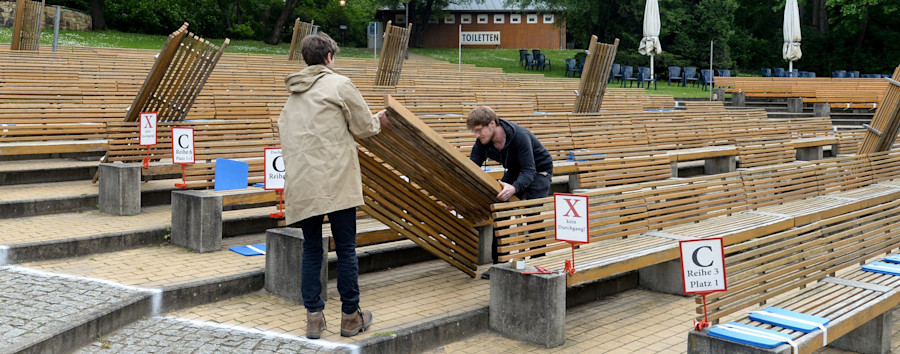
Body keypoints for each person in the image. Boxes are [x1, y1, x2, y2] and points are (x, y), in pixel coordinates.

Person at [277, 32, 390, 339]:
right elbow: (366, 127)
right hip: (336, 180)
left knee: (312, 250)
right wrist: (379, 120)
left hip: (302, 185)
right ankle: (350, 317)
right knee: (347, 250)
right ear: (329, 57)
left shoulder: (291, 97)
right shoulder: (339, 84)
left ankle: (314, 318)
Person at [467, 106, 553, 278]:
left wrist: (513, 188)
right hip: (515, 169)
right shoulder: (482, 142)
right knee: (500, 213)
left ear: (492, 123)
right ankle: (498, 265)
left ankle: (539, 264)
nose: (477, 136)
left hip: (538, 171)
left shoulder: (519, 136)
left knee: (532, 214)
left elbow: (529, 171)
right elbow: (470, 168)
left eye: (478, 130)